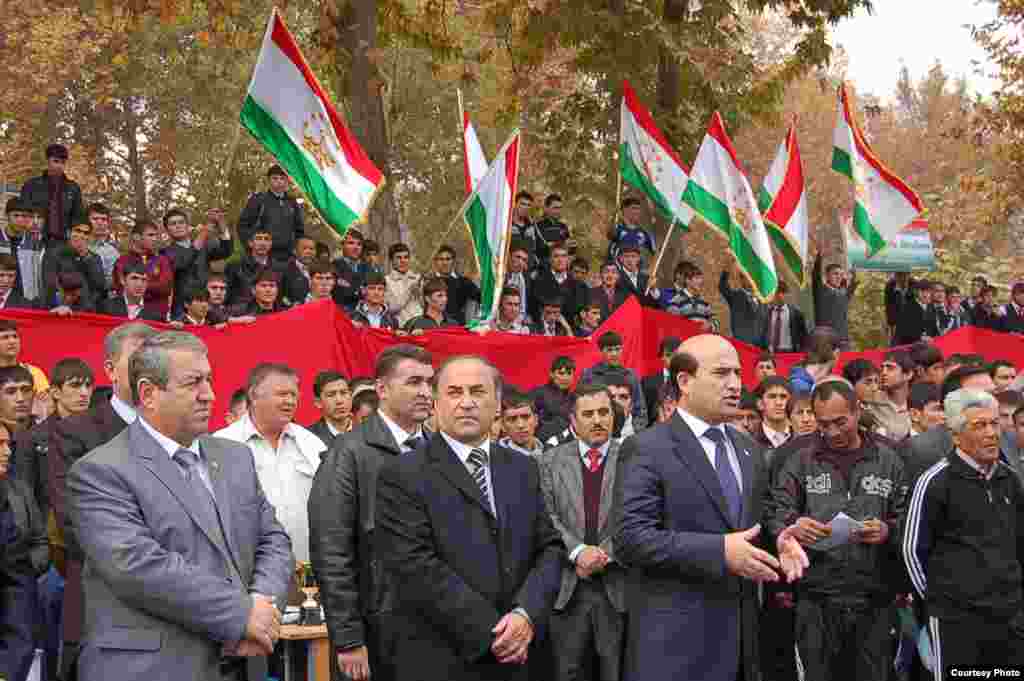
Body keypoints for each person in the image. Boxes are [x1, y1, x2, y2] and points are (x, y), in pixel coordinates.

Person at [66, 331, 294, 681]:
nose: (210, 395)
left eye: (209, 380)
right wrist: (239, 614)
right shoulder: (101, 471)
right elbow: (138, 566)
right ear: (148, 393)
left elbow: (273, 541)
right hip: (151, 669)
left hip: (244, 662)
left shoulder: (235, 458)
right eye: (193, 383)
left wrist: (262, 607)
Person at [614, 335, 808, 681]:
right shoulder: (646, 448)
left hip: (742, 646)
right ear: (684, 381)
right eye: (721, 373)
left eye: (737, 373)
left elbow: (758, 517)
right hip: (675, 647)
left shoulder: (747, 449)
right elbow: (631, 538)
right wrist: (719, 550)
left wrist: (781, 538)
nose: (735, 384)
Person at [375, 354, 563, 681]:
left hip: (523, 654)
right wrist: (496, 633)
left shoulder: (523, 468)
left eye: (477, 392)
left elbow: (549, 548)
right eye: (454, 392)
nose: (466, 403)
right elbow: (414, 565)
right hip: (443, 656)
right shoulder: (401, 474)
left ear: (498, 403)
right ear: (435, 403)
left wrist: (525, 615)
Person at [308, 344, 433, 681]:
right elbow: (331, 550)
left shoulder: (439, 449)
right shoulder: (348, 453)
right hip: (377, 630)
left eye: (428, 383)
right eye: (413, 382)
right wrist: (348, 638)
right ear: (381, 389)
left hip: (439, 629)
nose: (424, 392)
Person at [768, 380, 907, 681]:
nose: (832, 432)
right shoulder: (799, 460)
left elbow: (910, 519)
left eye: (840, 422)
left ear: (858, 412)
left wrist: (888, 530)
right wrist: (793, 527)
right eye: (823, 424)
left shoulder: (890, 459)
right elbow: (776, 512)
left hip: (875, 599)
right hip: (817, 599)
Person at [47, 323, 158, 680]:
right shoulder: (77, 433)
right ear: (110, 369)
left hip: (178, 622)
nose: (149, 369)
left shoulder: (182, 434)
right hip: (104, 609)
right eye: (138, 360)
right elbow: (76, 523)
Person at [902, 389, 1024, 677]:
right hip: (957, 621)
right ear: (956, 435)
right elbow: (911, 550)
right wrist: (938, 602)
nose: (992, 433)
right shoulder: (934, 482)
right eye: (979, 426)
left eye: (994, 424)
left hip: (1010, 617)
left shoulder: (1010, 480)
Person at [538, 382, 625, 681]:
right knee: (567, 672)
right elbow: (546, 516)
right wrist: (578, 552)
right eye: (588, 414)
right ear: (573, 422)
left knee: (616, 671)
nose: (598, 420)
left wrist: (603, 555)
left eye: (604, 412)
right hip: (567, 586)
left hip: (619, 587)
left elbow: (640, 516)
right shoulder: (548, 462)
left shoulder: (634, 458)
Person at [215, 363, 326, 562]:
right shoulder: (221, 444)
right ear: (254, 395)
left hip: (309, 569)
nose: (290, 401)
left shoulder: (312, 443)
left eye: (294, 394)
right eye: (282, 394)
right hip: (250, 570)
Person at [12, 358, 93, 535]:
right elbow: (27, 496)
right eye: (75, 385)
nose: (84, 393)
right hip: (51, 534)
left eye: (88, 385)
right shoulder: (33, 438)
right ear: (55, 392)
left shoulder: (102, 431)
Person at [0, 420, 48, 681]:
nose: (7, 451)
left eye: (8, 444)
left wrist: (7, 672)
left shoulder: (10, 502)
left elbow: (17, 592)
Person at [162, 208, 234, 317]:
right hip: (182, 311)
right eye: (173, 224)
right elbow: (183, 262)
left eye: (181, 222)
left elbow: (226, 251)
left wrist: (222, 225)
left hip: (208, 308)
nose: (178, 226)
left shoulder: (204, 245)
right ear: (167, 230)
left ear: (187, 226)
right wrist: (204, 232)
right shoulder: (164, 253)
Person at [19, 143, 85, 243]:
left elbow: (78, 217)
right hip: (35, 240)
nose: (59, 166)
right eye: (55, 161)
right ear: (47, 161)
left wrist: (74, 238)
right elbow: (23, 213)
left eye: (63, 162)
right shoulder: (31, 185)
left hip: (64, 242)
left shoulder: (73, 188)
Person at [581, 331, 648, 428]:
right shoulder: (589, 375)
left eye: (617, 349)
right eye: (609, 350)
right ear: (601, 351)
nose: (614, 354)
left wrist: (634, 431)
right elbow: (582, 407)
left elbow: (640, 409)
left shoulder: (631, 375)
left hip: (627, 431)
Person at [238, 165, 305, 262]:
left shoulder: (292, 203)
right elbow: (242, 226)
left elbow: (299, 230)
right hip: (262, 256)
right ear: (269, 180)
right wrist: (252, 246)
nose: (279, 181)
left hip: (287, 256)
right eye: (275, 178)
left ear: (287, 181)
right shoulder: (258, 200)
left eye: (282, 178)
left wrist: (297, 249)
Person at [112, 222, 175, 320]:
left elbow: (165, 287)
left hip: (157, 319)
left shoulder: (162, 260)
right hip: (129, 318)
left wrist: (136, 286)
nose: (155, 239)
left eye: (156, 235)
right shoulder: (122, 261)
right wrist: (153, 287)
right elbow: (121, 288)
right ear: (136, 237)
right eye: (150, 235)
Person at [40, 220, 107, 309]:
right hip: (60, 310)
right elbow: (49, 285)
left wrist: (86, 257)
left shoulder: (94, 258)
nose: (81, 236)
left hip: (87, 310)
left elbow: (100, 286)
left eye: (86, 233)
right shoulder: (53, 254)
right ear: (69, 233)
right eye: (77, 231)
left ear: (89, 237)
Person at [652, 261, 717, 331]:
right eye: (697, 278)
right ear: (688, 281)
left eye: (701, 278)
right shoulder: (676, 301)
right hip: (687, 340)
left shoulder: (704, 302)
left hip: (702, 340)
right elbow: (672, 324)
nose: (700, 281)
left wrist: (710, 325)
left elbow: (715, 320)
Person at [812, 253, 858, 349]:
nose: (839, 277)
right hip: (825, 342)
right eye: (835, 273)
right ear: (827, 276)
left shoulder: (843, 293)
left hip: (843, 342)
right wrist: (819, 256)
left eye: (841, 274)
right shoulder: (821, 291)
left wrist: (854, 273)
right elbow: (815, 275)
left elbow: (851, 287)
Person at [530, 243, 585, 324]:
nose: (560, 260)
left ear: (568, 259)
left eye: (563, 256)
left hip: (569, 331)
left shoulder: (579, 285)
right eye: (556, 256)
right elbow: (534, 309)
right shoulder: (538, 281)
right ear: (549, 259)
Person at [428, 245, 480, 325]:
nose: (444, 263)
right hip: (433, 327)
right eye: (441, 259)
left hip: (457, 328)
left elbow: (482, 298)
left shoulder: (464, 282)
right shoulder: (428, 282)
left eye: (448, 259)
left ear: (454, 261)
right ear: (436, 261)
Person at [225, 225, 275, 306]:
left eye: (266, 239)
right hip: (243, 314)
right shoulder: (235, 266)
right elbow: (226, 296)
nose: (263, 243)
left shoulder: (279, 267)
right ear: (250, 243)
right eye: (258, 239)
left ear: (271, 243)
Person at [531, 356, 575, 443]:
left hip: (567, 446)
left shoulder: (575, 398)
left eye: (569, 373)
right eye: (561, 373)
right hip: (543, 445)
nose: (565, 378)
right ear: (551, 374)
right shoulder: (539, 394)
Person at [759, 279, 808, 353]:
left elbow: (803, 336)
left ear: (787, 294)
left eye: (783, 292)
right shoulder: (767, 313)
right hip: (770, 352)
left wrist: (802, 352)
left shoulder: (796, 313)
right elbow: (763, 334)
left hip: (789, 352)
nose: (779, 295)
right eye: (777, 292)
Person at [719, 266, 765, 346]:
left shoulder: (762, 299)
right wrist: (726, 271)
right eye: (749, 277)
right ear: (742, 279)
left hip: (759, 347)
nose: (752, 281)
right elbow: (723, 287)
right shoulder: (735, 296)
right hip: (742, 344)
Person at [307, 370, 353, 447]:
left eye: (343, 393)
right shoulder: (308, 437)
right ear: (318, 402)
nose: (339, 400)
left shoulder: (366, 431)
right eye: (331, 395)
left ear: (351, 396)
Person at [606, 197, 655, 266]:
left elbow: (655, 253)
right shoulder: (618, 228)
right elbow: (610, 234)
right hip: (616, 272)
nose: (637, 211)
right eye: (634, 208)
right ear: (624, 210)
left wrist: (650, 269)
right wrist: (614, 216)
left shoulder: (643, 233)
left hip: (635, 273)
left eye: (638, 209)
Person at [877, 350, 914, 441]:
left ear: (908, 374)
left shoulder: (919, 402)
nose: (883, 373)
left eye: (890, 368)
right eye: (882, 368)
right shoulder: (872, 406)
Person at [383, 242, 422, 326]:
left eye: (406, 257)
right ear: (391, 260)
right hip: (401, 328)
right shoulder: (386, 281)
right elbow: (391, 309)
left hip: (421, 325)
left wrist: (421, 292)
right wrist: (409, 290)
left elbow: (425, 305)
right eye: (398, 258)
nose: (403, 261)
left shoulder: (417, 278)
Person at [642, 336, 681, 419]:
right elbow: (643, 415)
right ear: (662, 357)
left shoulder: (689, 382)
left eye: (676, 355)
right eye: (668, 355)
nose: (673, 359)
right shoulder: (647, 382)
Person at [498, 389, 546, 457]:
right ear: (502, 426)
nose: (520, 425)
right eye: (512, 419)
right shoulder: (494, 459)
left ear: (536, 420)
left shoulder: (552, 452)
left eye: (525, 417)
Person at [533, 193, 573, 267]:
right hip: (543, 267)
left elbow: (569, 250)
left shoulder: (563, 226)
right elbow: (537, 249)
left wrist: (571, 246)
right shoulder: (537, 226)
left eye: (560, 208)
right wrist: (558, 244)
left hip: (561, 268)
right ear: (546, 208)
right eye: (555, 208)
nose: (558, 211)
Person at [332, 229, 367, 310]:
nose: (356, 247)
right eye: (351, 243)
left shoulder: (368, 268)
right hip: (341, 315)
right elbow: (339, 295)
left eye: (359, 244)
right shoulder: (333, 267)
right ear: (342, 245)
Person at [755, 376, 792, 449]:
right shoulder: (749, 440)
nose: (778, 403)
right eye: (772, 397)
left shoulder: (801, 437)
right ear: (760, 404)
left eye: (783, 397)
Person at [279, 236, 316, 307]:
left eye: (312, 249)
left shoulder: (320, 269)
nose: (309, 252)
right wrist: (291, 305)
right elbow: (280, 296)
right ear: (295, 251)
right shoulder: (284, 270)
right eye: (304, 248)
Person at [504, 241, 533, 324]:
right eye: (517, 257)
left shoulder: (520, 279)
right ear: (508, 256)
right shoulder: (494, 273)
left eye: (524, 260)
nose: (520, 262)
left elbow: (522, 310)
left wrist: (514, 325)